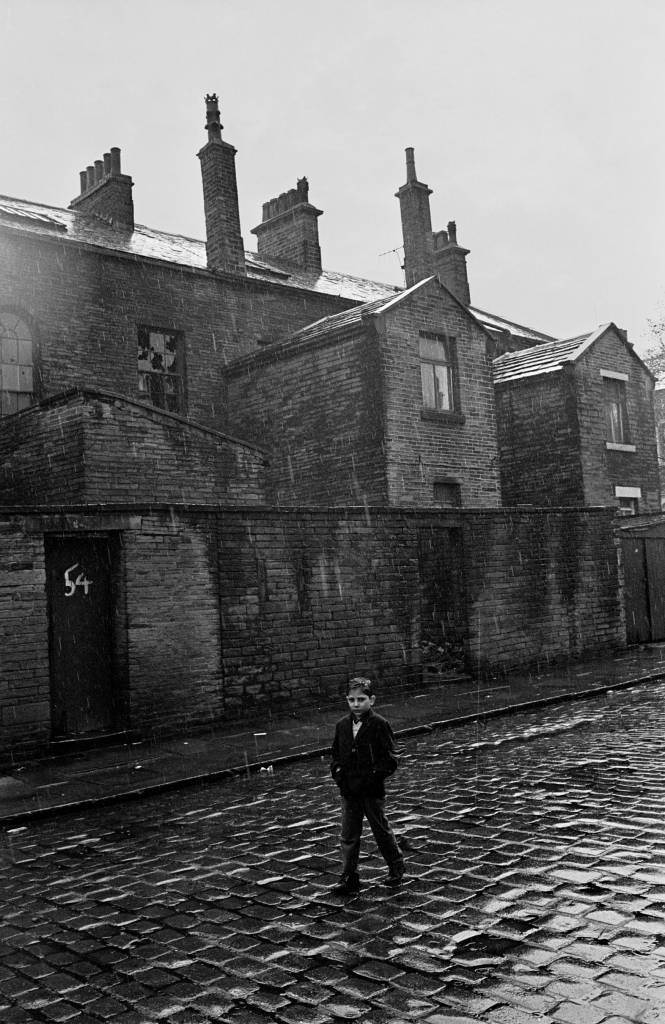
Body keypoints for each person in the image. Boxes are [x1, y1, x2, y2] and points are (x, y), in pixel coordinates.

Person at [329, 676, 405, 895]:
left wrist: (373, 777)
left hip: (371, 790)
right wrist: (338, 774)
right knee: (348, 834)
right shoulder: (342, 725)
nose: (356, 704)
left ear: (371, 700)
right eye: (351, 700)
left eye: (361, 699)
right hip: (349, 791)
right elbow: (336, 755)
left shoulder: (379, 724)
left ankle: (395, 866)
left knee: (380, 830)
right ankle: (349, 875)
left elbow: (390, 759)